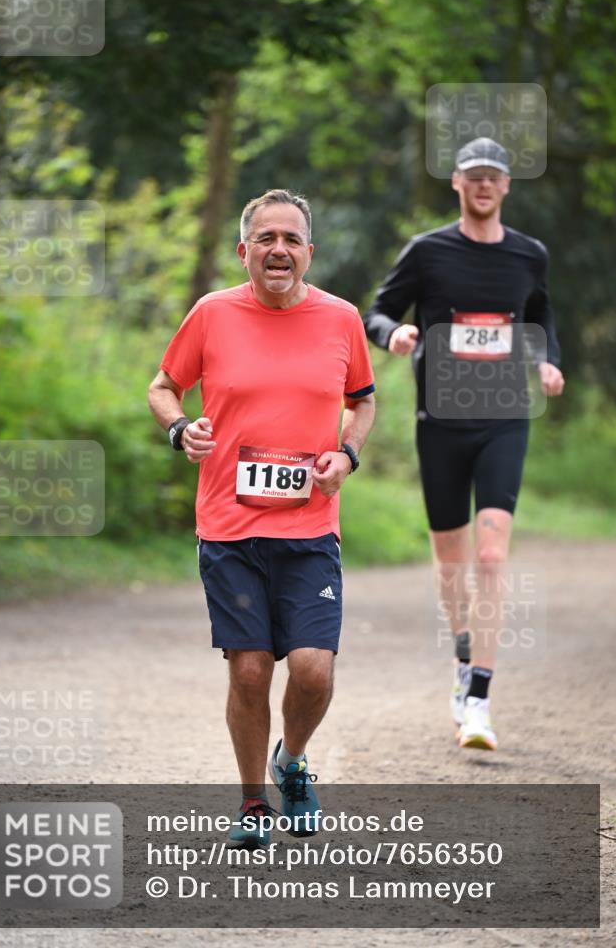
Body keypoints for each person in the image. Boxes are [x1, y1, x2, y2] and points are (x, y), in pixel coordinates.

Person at [149, 189, 375, 845]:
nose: (279, 249)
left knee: (311, 668)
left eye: (292, 239)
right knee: (248, 671)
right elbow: (163, 385)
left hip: (309, 528)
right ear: (244, 250)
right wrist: (178, 428)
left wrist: (347, 453)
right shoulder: (212, 313)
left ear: (309, 251)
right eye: (266, 238)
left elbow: (361, 402)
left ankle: (292, 761)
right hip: (229, 526)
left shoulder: (340, 318)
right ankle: (252, 803)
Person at [364, 138, 564, 751]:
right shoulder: (427, 252)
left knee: (493, 556)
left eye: (493, 177)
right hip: (441, 421)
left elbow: (540, 318)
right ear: (457, 183)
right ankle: (462, 658)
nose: (483, 185)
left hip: (505, 417)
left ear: (506, 186)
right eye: (473, 175)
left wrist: (548, 361)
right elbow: (376, 311)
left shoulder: (529, 254)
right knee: (451, 561)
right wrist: (395, 333)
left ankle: (478, 699)